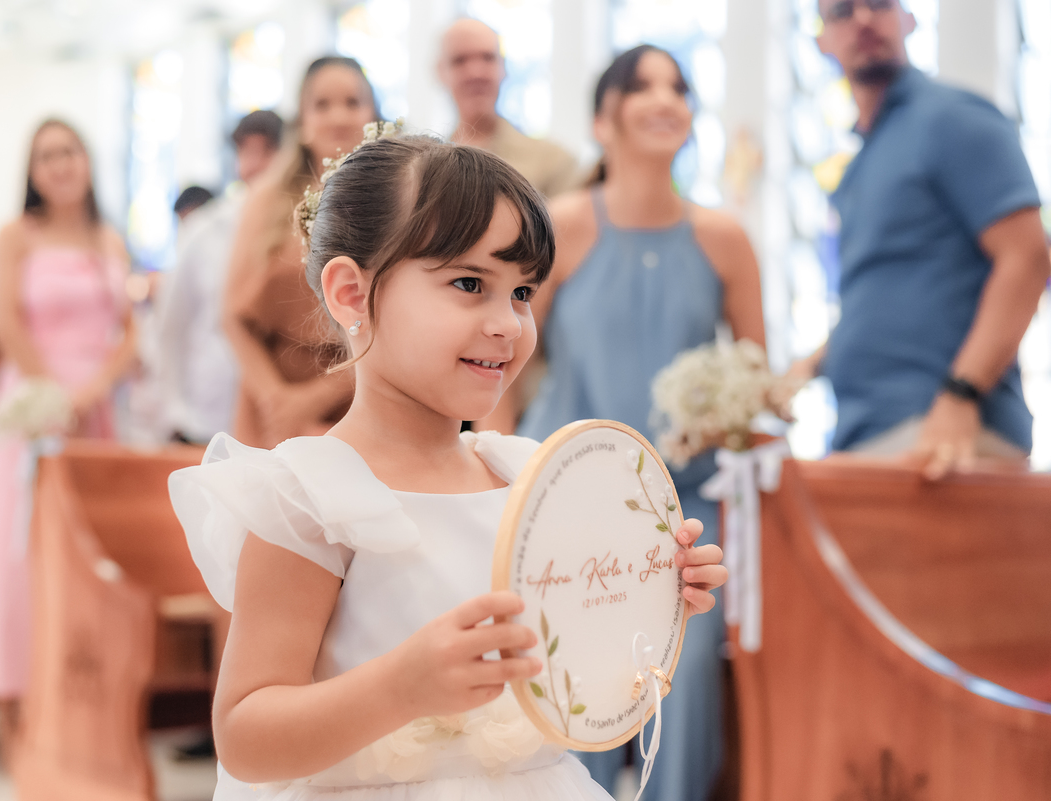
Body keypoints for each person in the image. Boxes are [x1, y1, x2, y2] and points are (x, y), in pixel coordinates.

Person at [168, 132, 730, 800]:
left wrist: (641, 603)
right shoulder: (311, 498)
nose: (508, 323)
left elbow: (562, 677)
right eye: (470, 283)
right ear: (351, 294)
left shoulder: (525, 477)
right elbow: (244, 734)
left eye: (522, 292)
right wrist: (399, 686)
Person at [482, 46, 767, 801]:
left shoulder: (726, 239)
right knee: (563, 666)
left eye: (678, 87)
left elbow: (755, 382)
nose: (664, 98)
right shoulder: (563, 226)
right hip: (562, 496)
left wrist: (735, 411)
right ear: (603, 120)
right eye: (642, 86)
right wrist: (491, 472)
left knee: (688, 661)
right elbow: (502, 358)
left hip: (681, 515)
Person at [791, 0, 1051, 478]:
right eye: (843, 11)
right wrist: (805, 368)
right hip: (869, 435)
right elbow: (888, 304)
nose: (864, 19)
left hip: (943, 437)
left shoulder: (953, 118)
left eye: (879, 4)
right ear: (821, 41)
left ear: (909, 19)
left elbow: (1028, 257)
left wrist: (961, 394)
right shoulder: (860, 166)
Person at [0, 119, 136, 758]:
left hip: (95, 414)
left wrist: (92, 392)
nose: (59, 165)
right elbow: (4, 324)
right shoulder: (16, 236)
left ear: (87, 160)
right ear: (32, 171)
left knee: (89, 558)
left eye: (69, 151)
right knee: (16, 553)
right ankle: (11, 707)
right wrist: (55, 397)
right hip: (32, 408)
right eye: (46, 155)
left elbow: (130, 330)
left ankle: (83, 702)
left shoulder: (109, 238)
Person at [223, 61, 375, 448]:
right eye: (322, 105)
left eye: (352, 102)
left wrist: (316, 398)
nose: (338, 116)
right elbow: (233, 316)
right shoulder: (266, 201)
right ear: (303, 121)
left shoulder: (394, 202)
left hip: (364, 397)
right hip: (272, 404)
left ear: (371, 114)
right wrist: (277, 399)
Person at [158, 110, 284, 445]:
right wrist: (175, 409)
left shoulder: (303, 232)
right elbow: (172, 325)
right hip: (207, 416)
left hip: (279, 420)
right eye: (246, 153)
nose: (255, 166)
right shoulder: (205, 230)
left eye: (267, 152)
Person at [438, 18, 579, 198]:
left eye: (488, 58)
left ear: (503, 68)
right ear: (440, 71)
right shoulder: (423, 167)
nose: (476, 72)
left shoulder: (554, 162)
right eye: (460, 60)